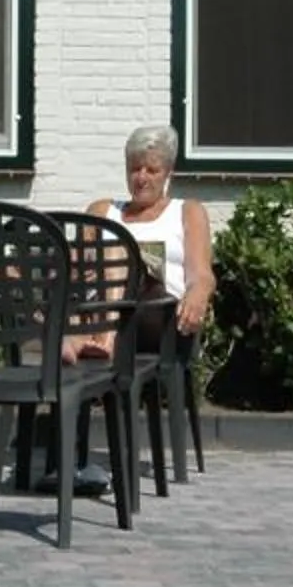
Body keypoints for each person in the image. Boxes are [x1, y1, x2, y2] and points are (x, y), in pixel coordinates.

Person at [68, 126, 218, 495]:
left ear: (167, 173)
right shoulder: (103, 210)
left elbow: (201, 273)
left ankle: (100, 341)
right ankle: (82, 345)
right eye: (135, 168)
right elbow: (70, 269)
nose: (141, 178)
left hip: (158, 320)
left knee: (120, 251)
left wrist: (199, 295)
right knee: (75, 287)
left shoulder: (188, 211)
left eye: (151, 169)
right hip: (98, 311)